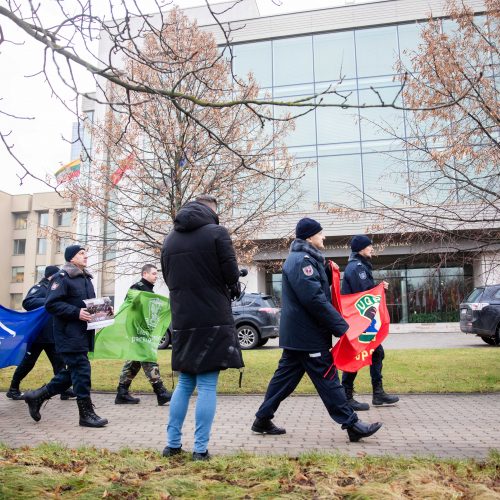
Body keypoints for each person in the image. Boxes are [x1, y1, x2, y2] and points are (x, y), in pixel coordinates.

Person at [251, 218, 382, 443]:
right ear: (310, 237)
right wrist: (342, 327)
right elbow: (313, 299)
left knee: (284, 381)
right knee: (328, 378)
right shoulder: (303, 261)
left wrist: (329, 273)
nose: (324, 237)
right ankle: (352, 424)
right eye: (321, 233)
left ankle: (262, 419)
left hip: (299, 335)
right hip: (307, 335)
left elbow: (314, 290)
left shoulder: (305, 259)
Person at [160, 195, 244, 461]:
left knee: (185, 382)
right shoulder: (217, 233)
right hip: (213, 316)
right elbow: (231, 274)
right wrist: (231, 287)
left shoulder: (169, 239)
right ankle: (200, 449)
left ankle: (172, 445)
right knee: (207, 384)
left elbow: (167, 276)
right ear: (212, 211)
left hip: (183, 318)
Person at [23, 245, 108, 428]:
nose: (85, 256)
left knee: (72, 374)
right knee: (82, 371)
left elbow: (89, 305)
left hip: (82, 334)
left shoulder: (86, 278)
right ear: (71, 258)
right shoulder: (61, 278)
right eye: (81, 253)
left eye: (85, 253)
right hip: (68, 334)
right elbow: (51, 304)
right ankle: (86, 415)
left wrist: (102, 313)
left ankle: (36, 397)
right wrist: (76, 312)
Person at [341, 235, 400, 411]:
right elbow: (364, 296)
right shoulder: (357, 268)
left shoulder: (358, 266)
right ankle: (348, 396)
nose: (372, 248)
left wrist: (379, 287)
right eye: (369, 246)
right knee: (357, 355)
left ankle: (377, 394)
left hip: (361, 321)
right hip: (361, 322)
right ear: (360, 249)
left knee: (375, 354)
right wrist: (379, 288)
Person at [6, 266, 75, 401]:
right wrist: (50, 301)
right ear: (50, 276)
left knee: (59, 363)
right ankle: (13, 389)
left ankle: (64, 390)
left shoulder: (56, 289)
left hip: (52, 334)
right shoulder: (39, 287)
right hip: (38, 335)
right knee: (28, 363)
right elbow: (28, 302)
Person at [115, 264, 172, 406]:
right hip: (137, 331)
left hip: (143, 330)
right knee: (148, 357)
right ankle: (160, 392)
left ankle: (122, 393)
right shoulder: (137, 287)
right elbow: (130, 306)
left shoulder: (148, 290)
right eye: (153, 273)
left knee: (134, 362)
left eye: (156, 273)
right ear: (144, 274)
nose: (156, 276)